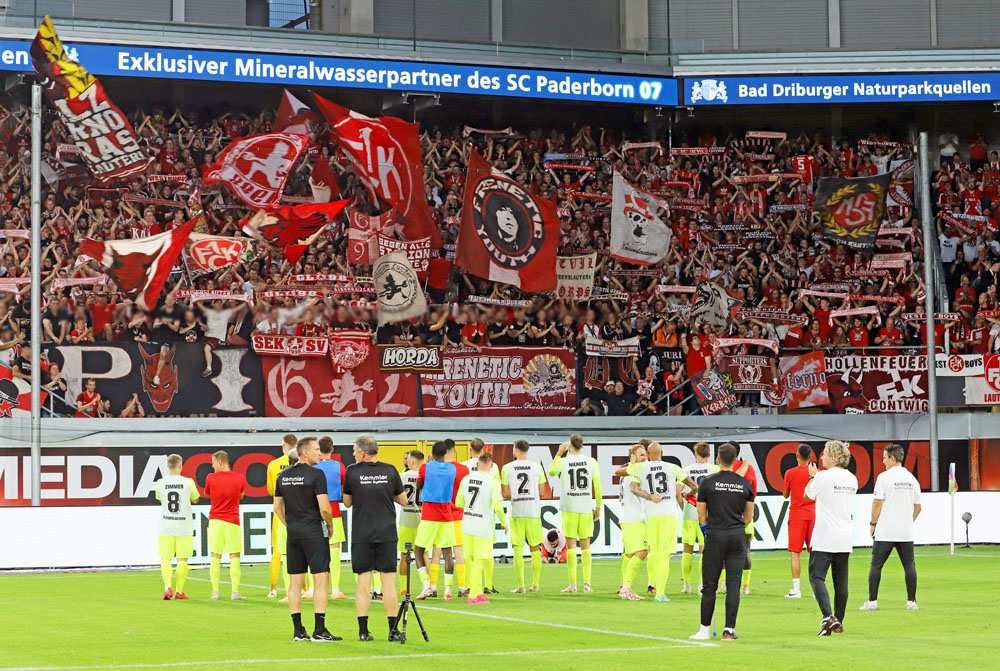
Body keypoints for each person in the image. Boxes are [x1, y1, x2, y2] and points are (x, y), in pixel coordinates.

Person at [342, 433, 407, 642]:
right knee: (389, 582)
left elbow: (347, 502)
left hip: (362, 533)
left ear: (362, 452)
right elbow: (403, 500)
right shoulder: (390, 470)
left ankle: (363, 631)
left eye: (354, 451)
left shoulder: (352, 471)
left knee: (363, 583)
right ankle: (393, 630)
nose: (353, 454)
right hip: (386, 532)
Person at [273, 438, 340, 643]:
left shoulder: (282, 476)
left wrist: (290, 524)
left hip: (294, 533)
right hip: (313, 532)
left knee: (295, 581)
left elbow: (277, 508)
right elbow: (325, 508)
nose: (320, 454)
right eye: (316, 450)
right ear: (304, 453)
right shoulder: (317, 474)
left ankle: (298, 631)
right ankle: (319, 630)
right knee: (321, 579)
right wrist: (330, 525)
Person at [690, 442, 755, 642]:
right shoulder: (745, 484)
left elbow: (701, 516)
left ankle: (704, 630)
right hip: (737, 536)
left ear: (718, 460)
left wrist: (708, 529)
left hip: (715, 535)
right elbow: (749, 516)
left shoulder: (707, 482)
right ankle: (729, 630)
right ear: (735, 461)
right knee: (734, 585)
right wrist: (735, 527)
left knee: (710, 585)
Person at [627, 442, 697, 603]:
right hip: (668, 515)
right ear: (662, 453)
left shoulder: (641, 468)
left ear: (649, 455)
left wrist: (649, 497)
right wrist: (691, 493)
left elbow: (633, 488)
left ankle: (652, 585)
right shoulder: (673, 468)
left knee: (654, 553)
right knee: (664, 555)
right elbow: (694, 485)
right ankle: (660, 594)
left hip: (651, 515)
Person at [805, 440, 859, 636]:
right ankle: (839, 620)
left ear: (833, 457)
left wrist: (812, 477)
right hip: (844, 535)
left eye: (824, 454)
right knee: (841, 582)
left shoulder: (822, 477)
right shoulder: (852, 479)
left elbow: (807, 495)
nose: (821, 458)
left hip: (824, 535)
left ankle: (828, 616)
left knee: (816, 576)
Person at [861, 444, 922, 612]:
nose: (883, 461)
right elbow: (918, 508)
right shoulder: (912, 479)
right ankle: (912, 602)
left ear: (892, 458)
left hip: (886, 531)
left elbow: (876, 503)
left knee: (876, 565)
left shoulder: (883, 477)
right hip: (905, 531)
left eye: (885, 458)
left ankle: (872, 602)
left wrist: (873, 523)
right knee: (909, 565)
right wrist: (908, 521)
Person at [548, 433, 602, 593]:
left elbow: (551, 471)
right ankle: (587, 584)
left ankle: (573, 585)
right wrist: (598, 506)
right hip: (585, 508)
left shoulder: (564, 461)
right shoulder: (591, 462)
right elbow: (598, 487)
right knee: (586, 546)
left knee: (571, 546)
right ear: (583, 446)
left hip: (569, 508)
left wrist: (559, 452)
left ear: (569, 446)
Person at [455, 452, 507, 604]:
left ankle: (475, 591)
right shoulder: (492, 481)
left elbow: (458, 503)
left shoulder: (466, 479)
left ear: (477, 465)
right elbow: (497, 505)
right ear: (491, 466)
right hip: (483, 526)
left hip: (467, 524)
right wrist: (503, 522)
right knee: (479, 560)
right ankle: (474, 596)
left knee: (470, 559)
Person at [500, 439, 546, 594]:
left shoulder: (507, 468)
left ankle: (521, 586)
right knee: (535, 548)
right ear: (527, 450)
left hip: (517, 512)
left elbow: (506, 494)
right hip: (533, 512)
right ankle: (536, 585)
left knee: (518, 548)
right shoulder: (537, 467)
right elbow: (542, 492)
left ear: (515, 449)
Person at [414, 441, 458, 600]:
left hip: (429, 515)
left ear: (431, 454)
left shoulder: (425, 467)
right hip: (446, 515)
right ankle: (448, 590)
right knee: (447, 552)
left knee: (418, 550)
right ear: (446, 453)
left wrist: (426, 466)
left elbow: (419, 486)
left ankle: (426, 585)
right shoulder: (452, 468)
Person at [154, 454, 199, 600]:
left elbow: (161, 500)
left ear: (168, 466)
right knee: (182, 560)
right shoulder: (188, 482)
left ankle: (167, 588)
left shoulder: (160, 482)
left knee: (166, 559)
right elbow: (196, 499)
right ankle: (179, 591)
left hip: (166, 525)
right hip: (184, 526)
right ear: (181, 466)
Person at [204, 450, 246, 601]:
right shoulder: (239, 478)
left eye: (213, 462)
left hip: (215, 520)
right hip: (232, 521)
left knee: (215, 556)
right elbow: (241, 495)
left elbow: (207, 494)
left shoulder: (210, 478)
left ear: (220, 462)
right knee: (234, 556)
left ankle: (215, 591)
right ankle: (235, 592)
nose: (212, 465)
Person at [681, 442, 718, 595]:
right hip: (706, 514)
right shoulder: (715, 470)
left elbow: (680, 493)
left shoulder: (686, 470)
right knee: (704, 550)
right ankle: (702, 585)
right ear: (709, 455)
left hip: (690, 512)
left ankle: (687, 586)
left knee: (687, 549)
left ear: (695, 455)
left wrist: (683, 506)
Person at [314, 436, 348, 600]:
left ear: (318, 450)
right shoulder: (339, 466)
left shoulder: (313, 466)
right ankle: (335, 589)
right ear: (332, 450)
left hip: (315, 512)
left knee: (313, 550)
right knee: (334, 551)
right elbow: (343, 487)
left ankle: (313, 589)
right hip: (334, 510)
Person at [782, 443, 816, 598]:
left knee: (795, 553)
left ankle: (796, 590)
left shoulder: (790, 472)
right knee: (815, 552)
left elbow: (785, 495)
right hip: (814, 514)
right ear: (810, 457)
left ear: (797, 456)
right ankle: (817, 590)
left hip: (797, 515)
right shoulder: (817, 473)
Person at [266, 434, 297, 599]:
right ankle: (304, 589)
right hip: (299, 511)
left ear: (283, 446)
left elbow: (271, 491)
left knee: (278, 552)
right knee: (300, 550)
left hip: (280, 513)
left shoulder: (273, 465)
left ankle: (274, 589)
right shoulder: (303, 464)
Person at [617, 443, 648, 601]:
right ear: (632, 457)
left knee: (629, 553)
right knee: (642, 551)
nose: (645, 457)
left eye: (646, 454)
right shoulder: (634, 471)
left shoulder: (628, 469)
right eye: (641, 455)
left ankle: (624, 587)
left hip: (627, 517)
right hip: (634, 518)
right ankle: (626, 587)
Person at [397, 450, 424, 591]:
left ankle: (403, 589)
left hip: (406, 521)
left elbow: (394, 495)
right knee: (424, 554)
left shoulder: (402, 476)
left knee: (404, 555)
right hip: (422, 521)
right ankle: (427, 587)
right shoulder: (426, 477)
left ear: (411, 462)